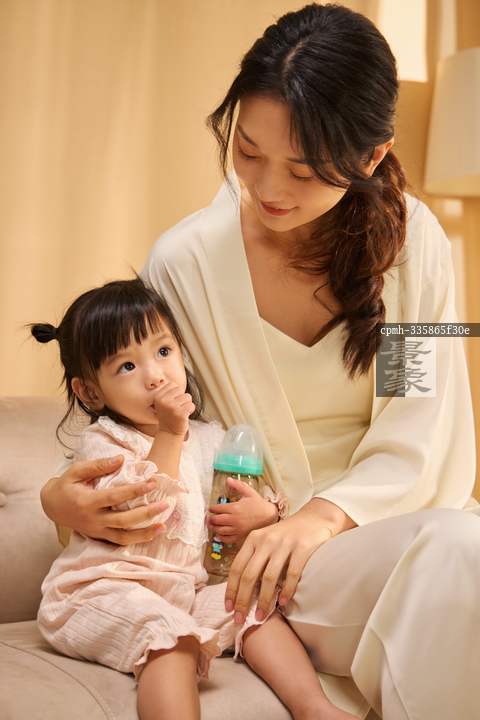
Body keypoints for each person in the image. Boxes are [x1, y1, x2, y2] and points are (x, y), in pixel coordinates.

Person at [40, 5, 480, 719]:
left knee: (460, 547)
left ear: (372, 157)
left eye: (302, 170)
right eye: (248, 151)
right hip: (254, 561)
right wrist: (60, 503)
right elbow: (152, 424)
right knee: (460, 553)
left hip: (385, 528)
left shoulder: (415, 247)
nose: (269, 188)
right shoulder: (186, 263)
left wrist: (321, 518)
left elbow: (419, 422)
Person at [32, 277, 359, 720]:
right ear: (90, 392)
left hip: (186, 589)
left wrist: (263, 514)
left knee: (253, 608)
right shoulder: (105, 442)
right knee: (171, 635)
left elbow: (243, 494)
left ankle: (314, 708)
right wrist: (170, 433)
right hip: (101, 590)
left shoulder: (210, 437)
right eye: (126, 366)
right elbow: (141, 511)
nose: (155, 375)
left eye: (164, 351)